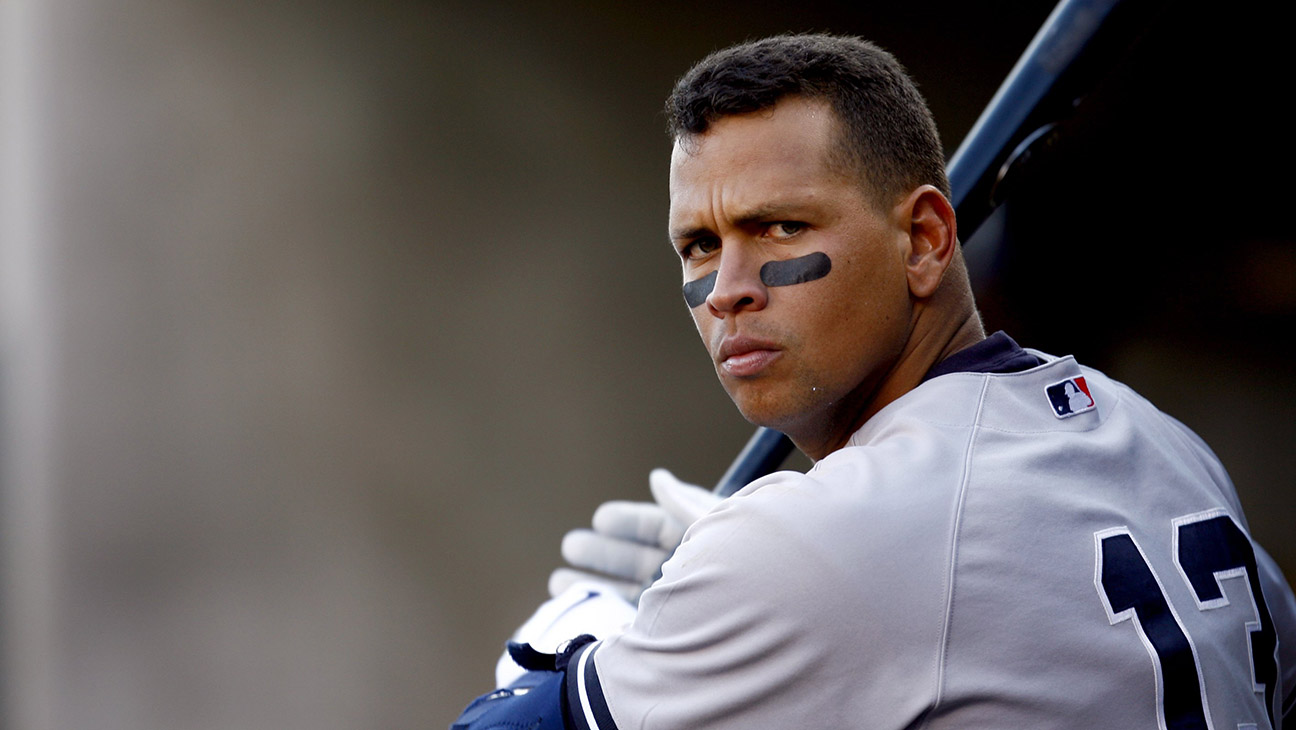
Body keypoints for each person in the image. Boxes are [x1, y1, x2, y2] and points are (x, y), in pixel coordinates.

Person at [452, 34, 1296, 730]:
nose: (730, 288)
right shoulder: (1162, 443)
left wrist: (591, 634)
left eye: (780, 226)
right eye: (700, 245)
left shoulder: (820, 542)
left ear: (926, 240)